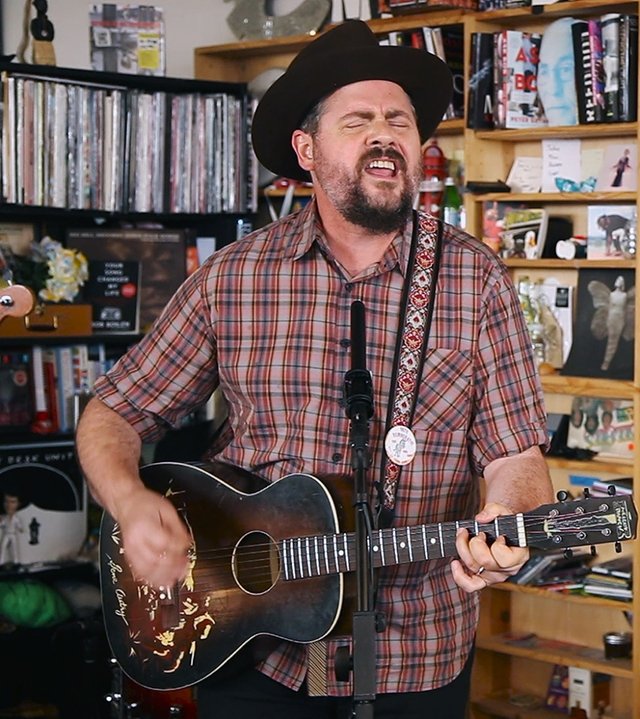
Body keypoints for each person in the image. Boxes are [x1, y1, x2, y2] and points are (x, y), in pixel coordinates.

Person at [75, 21, 553, 718]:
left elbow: (517, 454)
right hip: (247, 642)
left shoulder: (473, 279)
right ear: (306, 150)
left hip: (414, 650)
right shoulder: (233, 277)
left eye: (399, 120)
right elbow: (115, 410)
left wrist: (509, 517)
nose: (385, 134)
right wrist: (128, 500)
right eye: (358, 119)